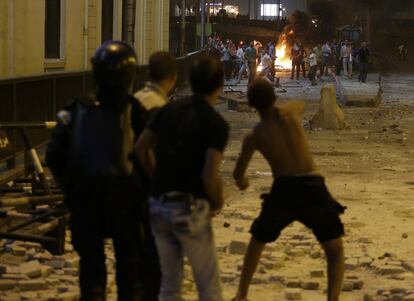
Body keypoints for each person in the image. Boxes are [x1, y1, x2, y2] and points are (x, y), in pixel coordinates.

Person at [46, 41, 149, 301]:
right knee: (130, 273)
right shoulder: (136, 110)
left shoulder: (75, 109)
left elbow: (55, 156)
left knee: (91, 275)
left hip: (85, 201)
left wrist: (71, 190)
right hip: (126, 202)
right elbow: (150, 157)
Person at [231, 79, 346, 301]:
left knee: (258, 238)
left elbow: (238, 175)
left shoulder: (254, 136)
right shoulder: (290, 116)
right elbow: (299, 104)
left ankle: (241, 293)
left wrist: (243, 182)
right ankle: (333, 298)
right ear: (274, 97)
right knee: (334, 248)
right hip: (313, 184)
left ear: (251, 105)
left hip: (284, 188)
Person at [136, 56, 229, 301]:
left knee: (169, 287)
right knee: (208, 288)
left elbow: (140, 148)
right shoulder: (215, 124)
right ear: (220, 85)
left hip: (157, 204)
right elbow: (210, 176)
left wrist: (157, 177)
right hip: (189, 208)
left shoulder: (167, 109)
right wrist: (217, 202)